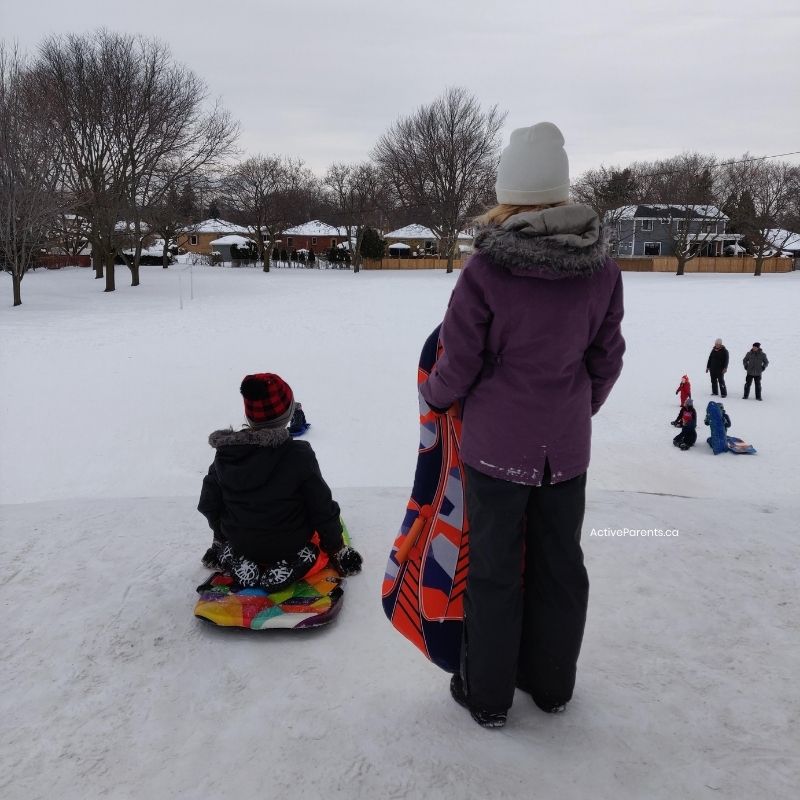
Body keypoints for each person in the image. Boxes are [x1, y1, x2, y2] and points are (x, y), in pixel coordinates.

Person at [419, 122, 625, 728]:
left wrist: (435, 397)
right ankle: (552, 684)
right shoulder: (602, 269)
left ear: (509, 194)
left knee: (494, 569)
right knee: (561, 565)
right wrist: (575, 410)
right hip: (565, 449)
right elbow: (606, 359)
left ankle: (488, 696)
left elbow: (458, 362)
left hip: (496, 450)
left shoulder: (486, 272)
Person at [198, 373, 362, 589]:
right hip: (289, 544)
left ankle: (231, 555)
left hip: (241, 543)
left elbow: (209, 504)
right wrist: (337, 548)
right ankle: (300, 560)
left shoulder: (226, 455)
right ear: (288, 415)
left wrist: (221, 535)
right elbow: (321, 508)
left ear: (249, 416)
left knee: (238, 543)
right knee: (315, 548)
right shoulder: (298, 455)